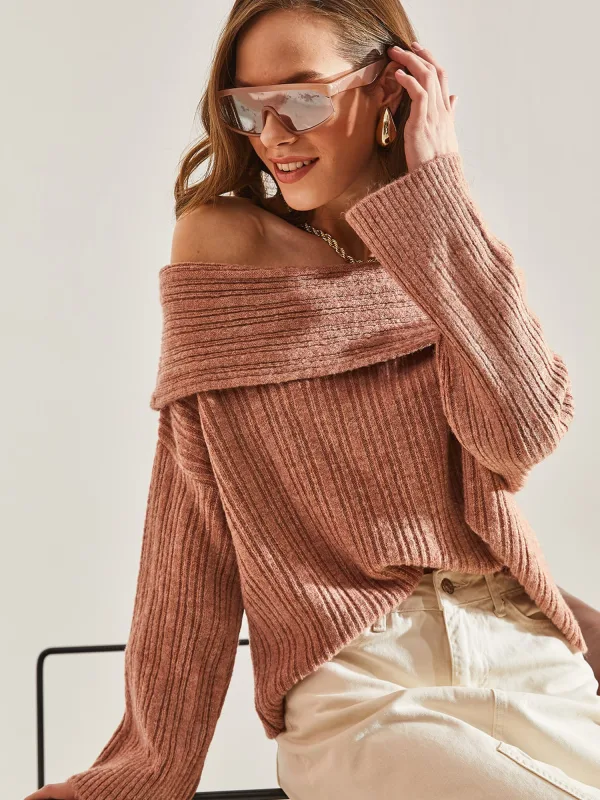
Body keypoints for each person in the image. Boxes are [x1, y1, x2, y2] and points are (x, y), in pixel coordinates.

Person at [26, 2, 600, 799]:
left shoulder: (445, 251)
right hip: (366, 687)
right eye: (247, 107)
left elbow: (522, 432)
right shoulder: (225, 246)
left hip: (527, 658)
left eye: (300, 98)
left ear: (390, 87)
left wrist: (440, 192)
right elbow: (193, 525)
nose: (272, 134)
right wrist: (147, 772)